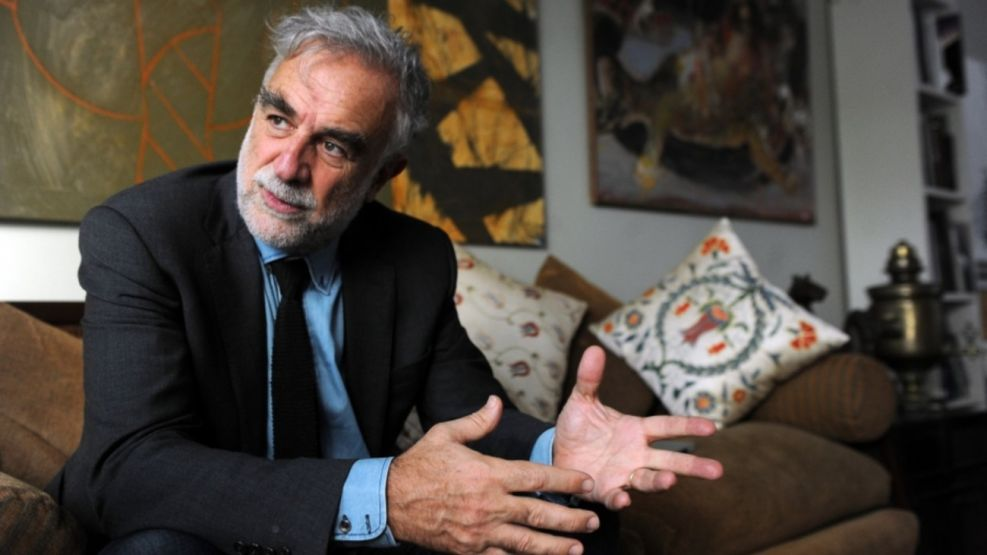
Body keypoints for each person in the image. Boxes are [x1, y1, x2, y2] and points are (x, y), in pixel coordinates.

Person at [47, 5, 723, 554]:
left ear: (382, 176)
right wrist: (388, 497)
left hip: (371, 540)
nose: (286, 165)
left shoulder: (414, 257)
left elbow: (472, 418)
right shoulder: (143, 234)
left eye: (333, 145)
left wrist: (558, 449)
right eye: (279, 118)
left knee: (577, 520)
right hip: (217, 532)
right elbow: (127, 469)